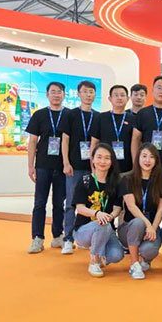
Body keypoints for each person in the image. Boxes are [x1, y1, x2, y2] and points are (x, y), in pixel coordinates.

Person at [26, 82, 69, 254]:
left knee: (59, 203)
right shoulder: (39, 115)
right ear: (47, 94)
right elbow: (32, 142)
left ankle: (58, 236)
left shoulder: (69, 115)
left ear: (64, 95)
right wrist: (31, 166)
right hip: (43, 166)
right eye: (53, 92)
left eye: (59, 92)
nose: (56, 95)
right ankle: (37, 238)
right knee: (39, 203)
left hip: (63, 167)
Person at [71, 143, 124, 277]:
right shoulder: (85, 181)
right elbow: (80, 208)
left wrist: (111, 216)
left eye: (107, 158)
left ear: (111, 161)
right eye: (99, 157)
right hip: (83, 230)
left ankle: (99, 249)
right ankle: (94, 261)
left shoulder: (115, 183)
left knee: (117, 255)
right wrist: (97, 213)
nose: (102, 161)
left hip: (107, 229)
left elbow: (118, 207)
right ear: (93, 159)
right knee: (101, 224)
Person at [60, 80, 100, 254]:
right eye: (85, 92)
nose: (88, 95)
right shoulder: (70, 114)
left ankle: (87, 238)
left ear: (95, 95)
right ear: (78, 94)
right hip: (74, 167)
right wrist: (66, 162)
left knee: (93, 203)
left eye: (91, 92)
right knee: (71, 203)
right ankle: (68, 239)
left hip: (94, 168)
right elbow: (65, 140)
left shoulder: (98, 116)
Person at [117, 143, 162, 279]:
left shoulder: (160, 181)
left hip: (150, 229)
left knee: (149, 250)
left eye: (151, 157)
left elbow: (161, 208)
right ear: (138, 158)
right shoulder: (127, 179)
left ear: (156, 160)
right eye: (144, 156)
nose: (147, 160)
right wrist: (148, 224)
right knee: (138, 222)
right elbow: (131, 206)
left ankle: (145, 260)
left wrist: (153, 228)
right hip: (129, 227)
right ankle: (134, 263)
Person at [91, 85, 135, 175]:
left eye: (122, 95)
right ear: (110, 98)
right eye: (116, 95)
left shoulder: (133, 119)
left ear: (128, 99)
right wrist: (93, 166)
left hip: (127, 168)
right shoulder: (101, 117)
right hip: (104, 167)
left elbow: (136, 144)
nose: (119, 98)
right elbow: (94, 143)